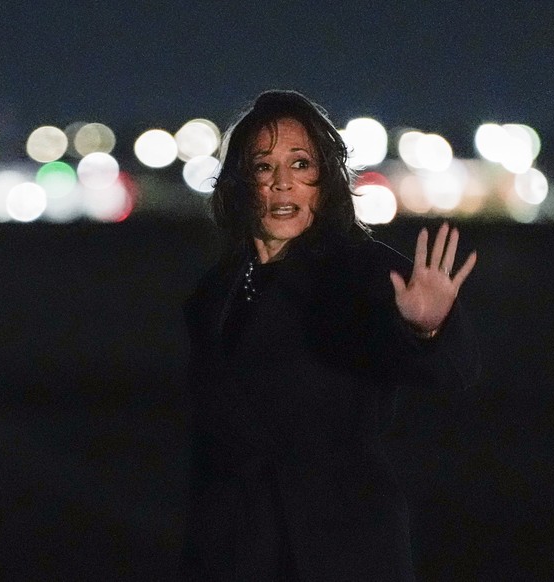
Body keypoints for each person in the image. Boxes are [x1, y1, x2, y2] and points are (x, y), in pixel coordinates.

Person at [180, 90, 480, 581]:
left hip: (342, 548)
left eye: (301, 164)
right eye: (263, 167)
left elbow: (454, 370)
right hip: (235, 549)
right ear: (241, 182)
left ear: (326, 180)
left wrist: (427, 327)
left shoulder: (361, 271)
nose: (282, 184)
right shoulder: (216, 292)